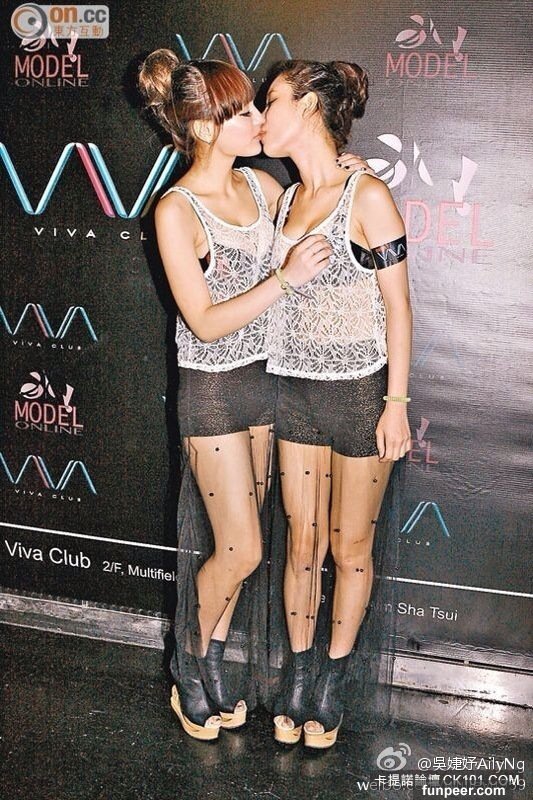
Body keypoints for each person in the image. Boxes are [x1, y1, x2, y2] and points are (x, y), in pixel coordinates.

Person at [137, 49, 354, 741]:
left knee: (237, 548)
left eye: (259, 106)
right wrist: (281, 281)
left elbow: (320, 195)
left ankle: (209, 667)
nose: (258, 118)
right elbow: (202, 321)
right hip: (212, 391)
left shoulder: (262, 187)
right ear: (206, 129)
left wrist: (348, 172)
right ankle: (186, 662)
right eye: (242, 112)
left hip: (268, 383)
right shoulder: (176, 210)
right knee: (242, 550)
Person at [261, 59, 412, 748]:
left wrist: (395, 403)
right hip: (292, 390)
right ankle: (299, 673)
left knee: (350, 546)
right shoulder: (286, 200)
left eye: (271, 101)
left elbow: (398, 307)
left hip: (357, 393)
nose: (263, 115)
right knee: (301, 541)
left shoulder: (367, 196)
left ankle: (332, 679)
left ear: (307, 108)